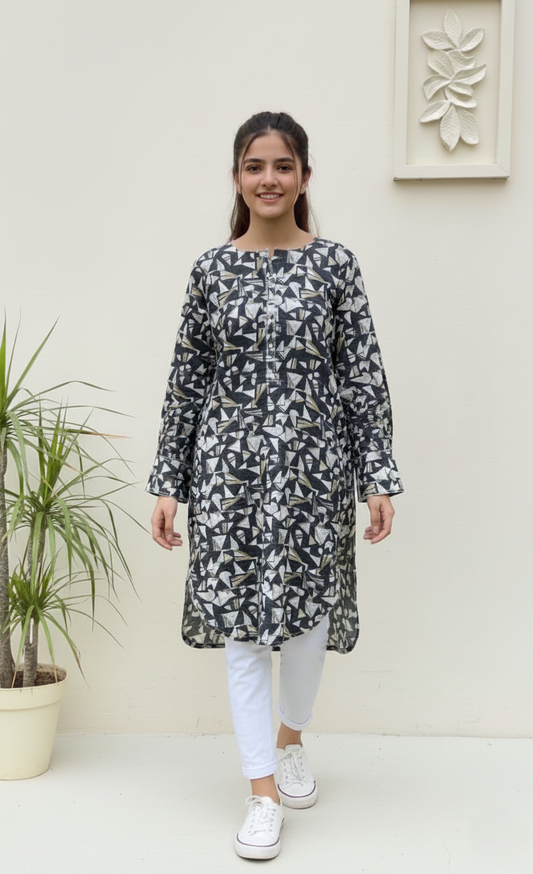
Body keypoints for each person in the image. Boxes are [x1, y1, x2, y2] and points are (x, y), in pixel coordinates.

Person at [147, 111, 403, 860]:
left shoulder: (335, 267)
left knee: (307, 624)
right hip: (225, 477)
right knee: (241, 632)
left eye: (282, 165)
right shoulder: (209, 270)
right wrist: (168, 481)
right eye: (254, 166)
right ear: (236, 177)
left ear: (303, 177)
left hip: (315, 476)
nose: (268, 179)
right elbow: (185, 382)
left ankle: (290, 740)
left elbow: (362, 378)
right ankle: (261, 790)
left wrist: (375, 475)